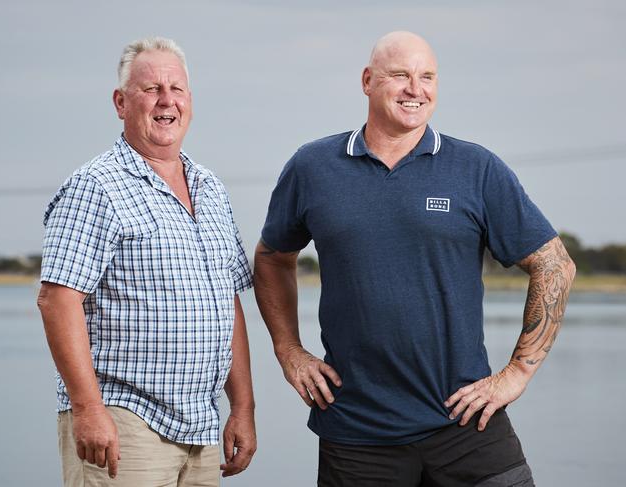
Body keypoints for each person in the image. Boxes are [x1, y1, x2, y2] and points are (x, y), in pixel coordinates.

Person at [254, 31, 575, 486]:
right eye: (400, 75)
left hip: (468, 422)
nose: (415, 89)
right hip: (357, 431)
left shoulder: (475, 168)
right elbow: (271, 256)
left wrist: (517, 373)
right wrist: (288, 351)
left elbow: (555, 263)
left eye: (427, 77)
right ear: (367, 81)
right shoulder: (313, 167)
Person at [37, 37, 256, 486]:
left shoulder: (211, 189)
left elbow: (227, 304)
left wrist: (243, 409)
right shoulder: (96, 186)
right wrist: (88, 410)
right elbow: (57, 301)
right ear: (121, 103)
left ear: (190, 102)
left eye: (176, 89)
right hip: (124, 422)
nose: (166, 100)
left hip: (200, 426)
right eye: (151, 89)